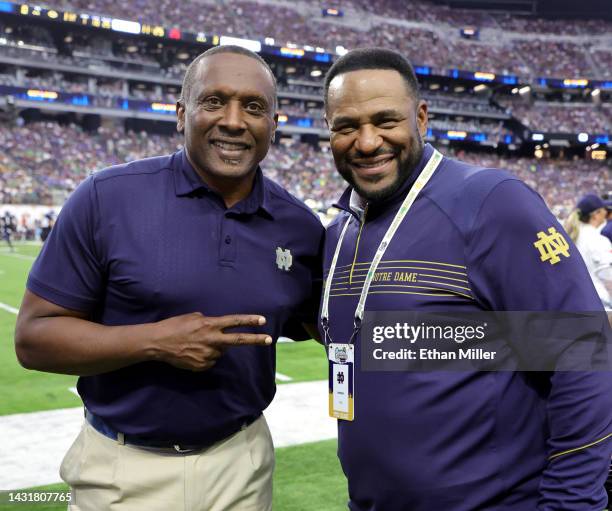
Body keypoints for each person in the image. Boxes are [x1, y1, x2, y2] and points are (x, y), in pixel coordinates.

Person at [14, 45, 324, 511]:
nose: (234, 121)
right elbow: (33, 339)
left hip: (242, 463)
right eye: (214, 101)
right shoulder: (106, 198)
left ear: (274, 126)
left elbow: (310, 322)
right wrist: (155, 342)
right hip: (124, 469)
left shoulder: (299, 227)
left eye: (254, 107)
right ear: (182, 114)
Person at [321, 48, 612, 510]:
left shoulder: (493, 204)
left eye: (385, 120)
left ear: (421, 117)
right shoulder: (339, 230)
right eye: (347, 126)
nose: (368, 141)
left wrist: (570, 504)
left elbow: (585, 358)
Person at [564, 194, 612, 308]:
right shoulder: (598, 240)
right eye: (603, 210)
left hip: (574, 300)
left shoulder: (568, 236)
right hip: (598, 301)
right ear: (596, 214)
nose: (606, 213)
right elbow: (608, 277)